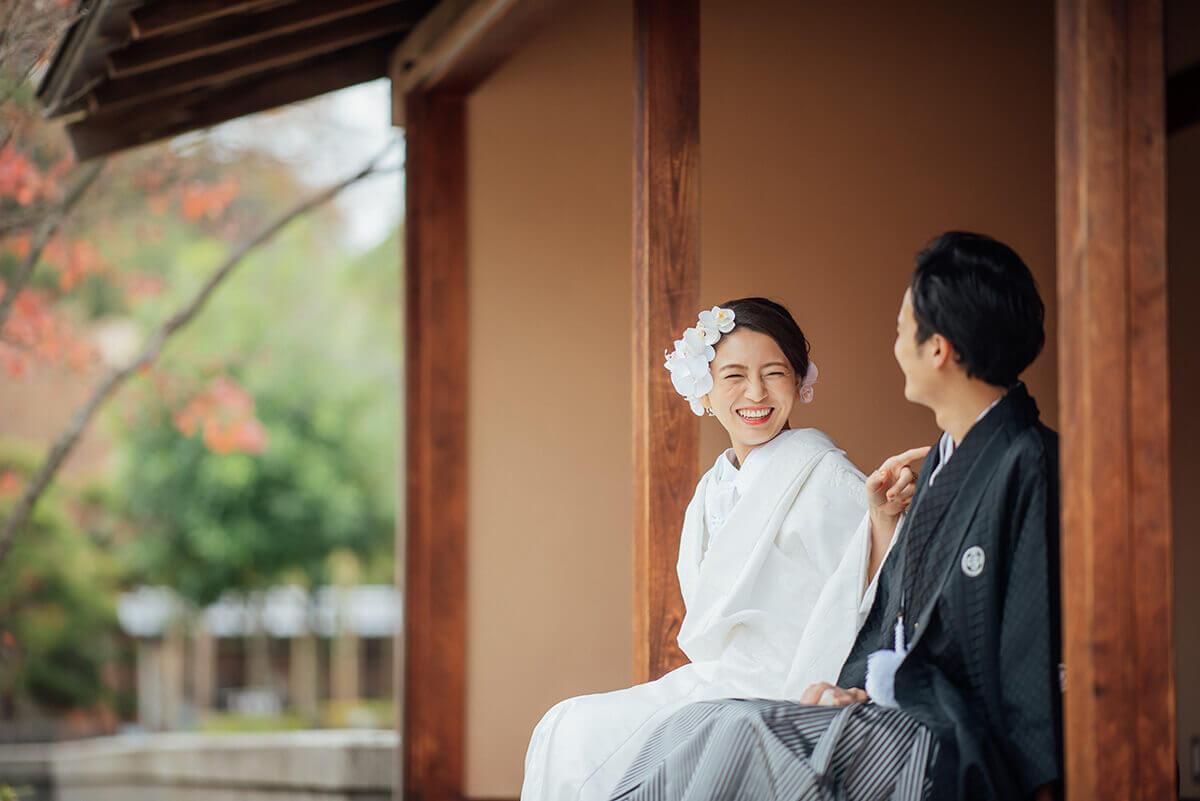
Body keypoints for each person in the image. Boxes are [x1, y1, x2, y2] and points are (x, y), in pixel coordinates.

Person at [609, 231, 1061, 801]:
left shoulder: (1027, 461)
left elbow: (1028, 645)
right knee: (693, 730)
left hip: (956, 736)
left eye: (901, 330)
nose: (895, 345)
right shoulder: (946, 459)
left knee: (737, 733)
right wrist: (851, 687)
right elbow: (891, 618)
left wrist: (1039, 784)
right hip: (900, 706)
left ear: (938, 349)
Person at [522, 298, 893, 801]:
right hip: (722, 680)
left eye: (775, 372)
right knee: (565, 726)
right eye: (734, 375)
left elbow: (871, 594)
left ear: (800, 381)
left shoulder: (827, 478)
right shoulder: (713, 488)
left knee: (581, 734)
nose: (755, 393)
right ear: (705, 387)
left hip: (787, 684)